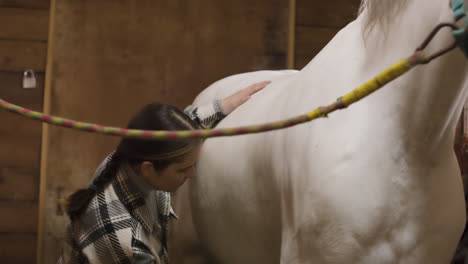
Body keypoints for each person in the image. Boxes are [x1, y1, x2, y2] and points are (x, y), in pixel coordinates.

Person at [57, 80, 270, 264]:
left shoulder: (128, 157)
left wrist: (222, 106)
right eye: (183, 169)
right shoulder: (126, 240)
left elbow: (174, 132)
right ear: (148, 169)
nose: (192, 175)